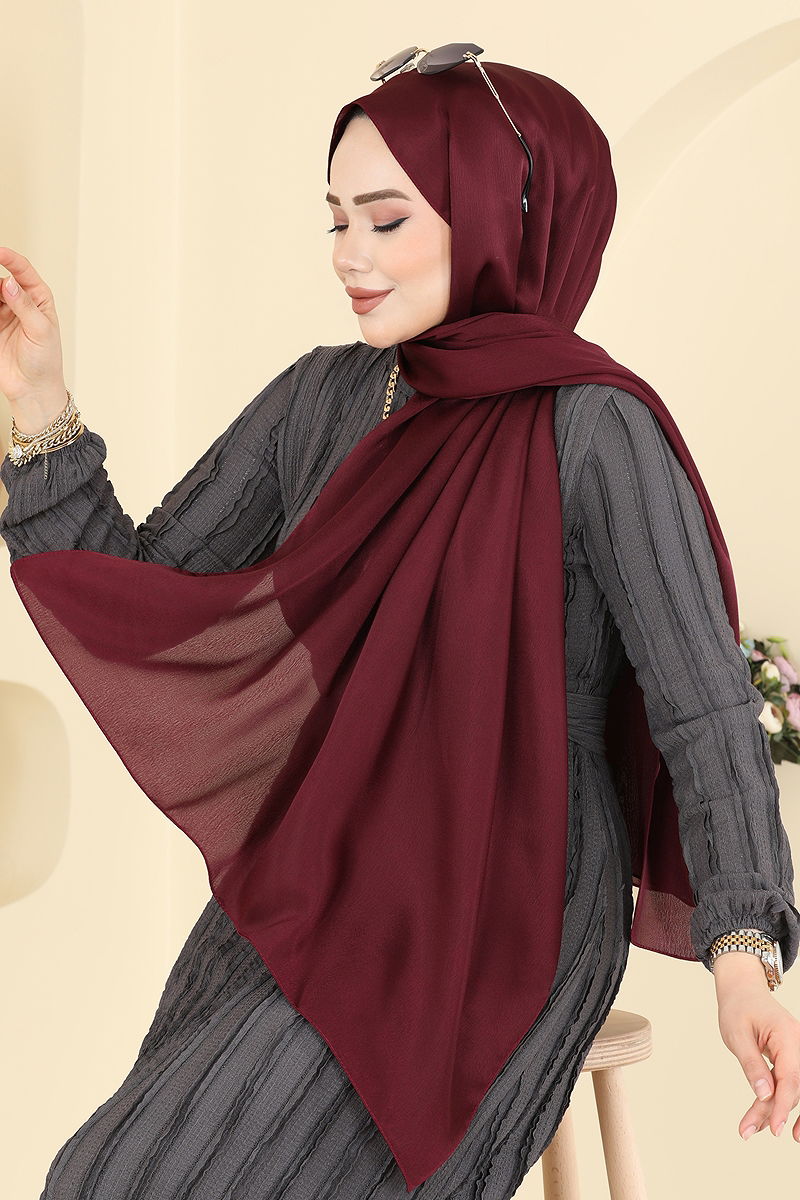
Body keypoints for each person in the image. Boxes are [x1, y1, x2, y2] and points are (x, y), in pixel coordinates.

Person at [2, 47, 800, 1199]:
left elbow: (702, 707)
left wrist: (740, 958)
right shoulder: (326, 395)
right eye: (336, 220)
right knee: (111, 1175)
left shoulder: (595, 428)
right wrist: (38, 402)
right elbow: (146, 596)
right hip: (323, 864)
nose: (348, 256)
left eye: (385, 219)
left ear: (502, 217)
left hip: (504, 898)